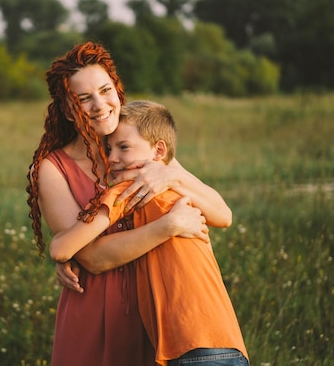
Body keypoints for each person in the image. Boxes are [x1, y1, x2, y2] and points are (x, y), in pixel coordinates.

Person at [26, 42, 232, 366]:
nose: (100, 104)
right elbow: (90, 257)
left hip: (152, 309)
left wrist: (170, 177)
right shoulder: (52, 169)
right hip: (91, 312)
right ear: (68, 110)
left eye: (105, 90)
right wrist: (168, 227)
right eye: (84, 98)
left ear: (117, 90)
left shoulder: (138, 148)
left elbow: (222, 214)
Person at [49, 100, 249, 366]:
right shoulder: (183, 195)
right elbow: (224, 217)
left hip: (189, 346)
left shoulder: (129, 190)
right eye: (109, 149)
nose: (113, 158)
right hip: (226, 340)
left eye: (124, 147)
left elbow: (60, 248)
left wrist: (65, 254)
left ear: (159, 151)